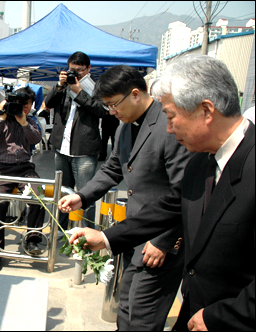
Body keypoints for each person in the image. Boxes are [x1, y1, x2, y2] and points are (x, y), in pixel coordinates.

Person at [65, 55, 255, 331]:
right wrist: (106, 237)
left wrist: (222, 316)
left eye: (171, 116)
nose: (169, 128)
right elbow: (170, 206)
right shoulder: (203, 160)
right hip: (196, 307)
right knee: (127, 308)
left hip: (228, 318)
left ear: (206, 111)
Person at [59, 65, 191, 330]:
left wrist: (163, 240)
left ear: (135, 94)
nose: (111, 112)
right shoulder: (125, 127)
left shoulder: (169, 126)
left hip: (158, 243)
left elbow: (184, 192)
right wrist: (83, 197)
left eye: (112, 104)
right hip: (134, 235)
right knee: (127, 307)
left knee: (143, 315)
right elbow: (112, 168)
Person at [44, 51, 106, 236]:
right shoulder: (64, 85)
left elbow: (102, 110)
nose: (76, 74)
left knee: (86, 194)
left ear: (89, 69)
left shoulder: (97, 87)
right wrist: (60, 85)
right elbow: (48, 103)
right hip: (62, 149)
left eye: (80, 70)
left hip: (84, 151)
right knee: (63, 192)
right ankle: (61, 229)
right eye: (72, 70)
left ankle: (87, 233)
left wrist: (79, 92)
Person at [0, 87, 45, 255]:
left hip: (25, 168)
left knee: (38, 196)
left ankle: (32, 240)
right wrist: (3, 117)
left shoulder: (31, 121)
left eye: (28, 104)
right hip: (1, 168)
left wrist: (24, 123)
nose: (24, 107)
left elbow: (36, 139)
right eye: (20, 103)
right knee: (0, 204)